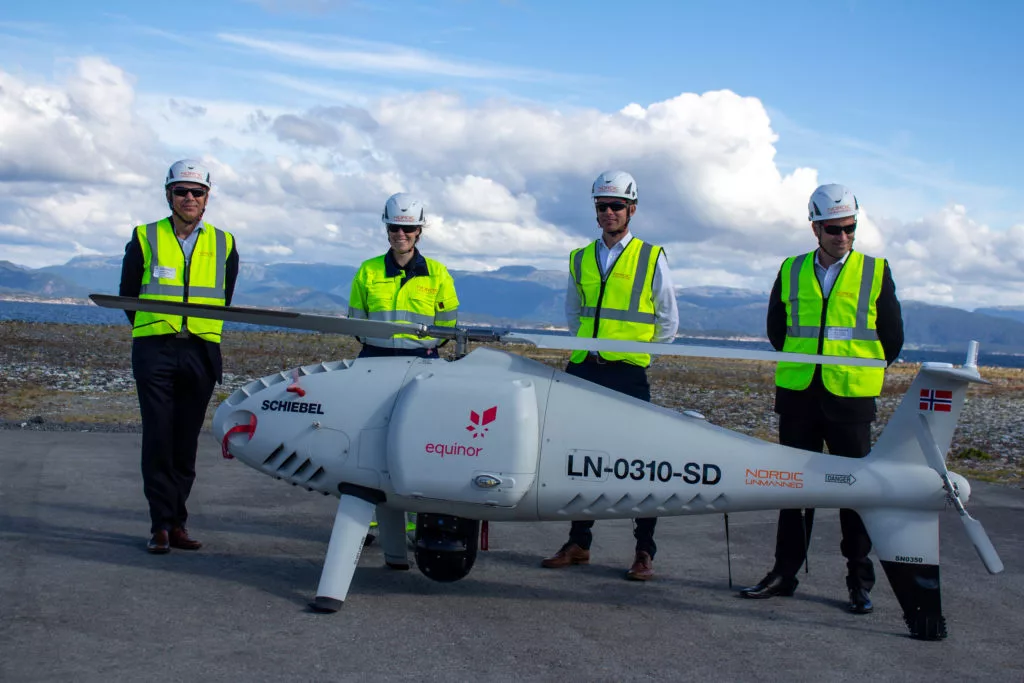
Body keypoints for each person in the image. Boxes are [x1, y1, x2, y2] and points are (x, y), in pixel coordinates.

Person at [738, 183, 904, 614]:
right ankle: (783, 573)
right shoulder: (791, 270)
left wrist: (853, 370)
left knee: (856, 494)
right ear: (814, 227)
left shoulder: (875, 270)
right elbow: (778, 330)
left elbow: (891, 338)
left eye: (850, 228)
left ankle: (858, 581)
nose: (843, 237)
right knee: (793, 491)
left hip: (849, 400)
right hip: (799, 398)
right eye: (833, 229)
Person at [540, 171, 679, 581]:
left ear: (632, 209)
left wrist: (636, 351)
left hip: (628, 372)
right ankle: (579, 542)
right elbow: (572, 312)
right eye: (602, 206)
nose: (609, 212)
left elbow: (668, 320)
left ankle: (643, 551)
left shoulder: (652, 257)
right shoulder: (580, 257)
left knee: (642, 461)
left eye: (617, 205)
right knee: (579, 457)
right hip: (585, 367)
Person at [119, 159, 239, 554]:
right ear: (168, 193)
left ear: (207, 197)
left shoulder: (225, 243)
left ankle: (178, 523)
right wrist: (157, 327)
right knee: (158, 437)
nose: (189, 198)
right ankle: (159, 525)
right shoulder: (144, 236)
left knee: (185, 442)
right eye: (181, 191)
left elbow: (226, 296)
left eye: (197, 192)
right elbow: (128, 296)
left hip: (200, 351)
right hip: (156, 349)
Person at [348, 193, 459, 358]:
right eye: (394, 227)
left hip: (422, 357)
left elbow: (447, 324)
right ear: (387, 229)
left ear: (418, 231)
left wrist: (426, 344)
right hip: (374, 356)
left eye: (407, 228)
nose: (400, 233)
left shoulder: (438, 274)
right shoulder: (368, 270)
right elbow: (356, 320)